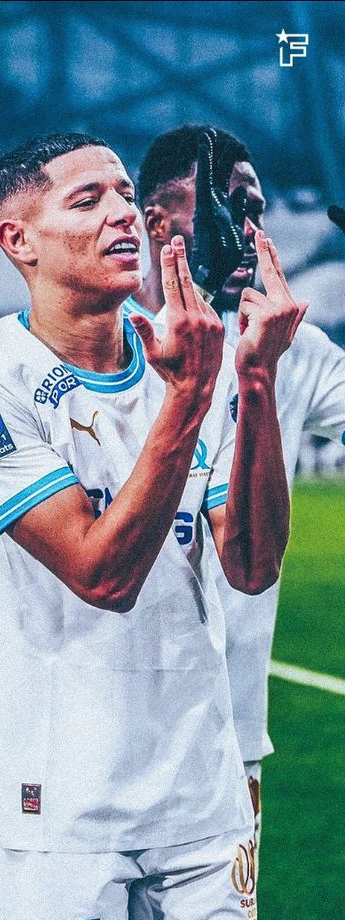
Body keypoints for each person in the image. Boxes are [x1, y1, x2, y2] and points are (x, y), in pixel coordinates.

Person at [0, 132, 305, 919]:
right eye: (87, 200)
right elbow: (101, 574)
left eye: (125, 197)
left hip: (201, 795)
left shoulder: (192, 357)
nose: (122, 216)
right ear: (17, 240)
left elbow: (250, 564)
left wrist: (257, 377)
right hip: (61, 808)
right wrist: (187, 399)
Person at [134, 123, 345, 845]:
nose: (248, 228)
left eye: (256, 209)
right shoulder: (96, 340)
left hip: (230, 733)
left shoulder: (290, 348)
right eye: (229, 206)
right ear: (158, 221)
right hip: (89, 734)